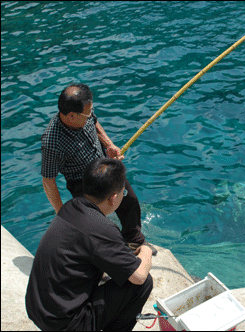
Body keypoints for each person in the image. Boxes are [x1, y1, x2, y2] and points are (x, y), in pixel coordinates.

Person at [26, 158, 154, 331]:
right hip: (66, 324)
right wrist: (145, 250)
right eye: (123, 194)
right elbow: (138, 276)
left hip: (38, 309)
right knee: (143, 283)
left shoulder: (70, 207)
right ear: (113, 198)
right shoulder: (102, 228)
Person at [41, 83, 156, 254]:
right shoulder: (52, 142)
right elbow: (48, 180)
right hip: (83, 183)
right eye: (86, 114)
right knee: (95, 225)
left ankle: (133, 240)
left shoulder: (84, 112)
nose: (90, 115)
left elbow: (94, 122)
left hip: (104, 167)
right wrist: (62, 214)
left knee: (129, 200)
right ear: (71, 116)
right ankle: (105, 259)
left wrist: (109, 144)